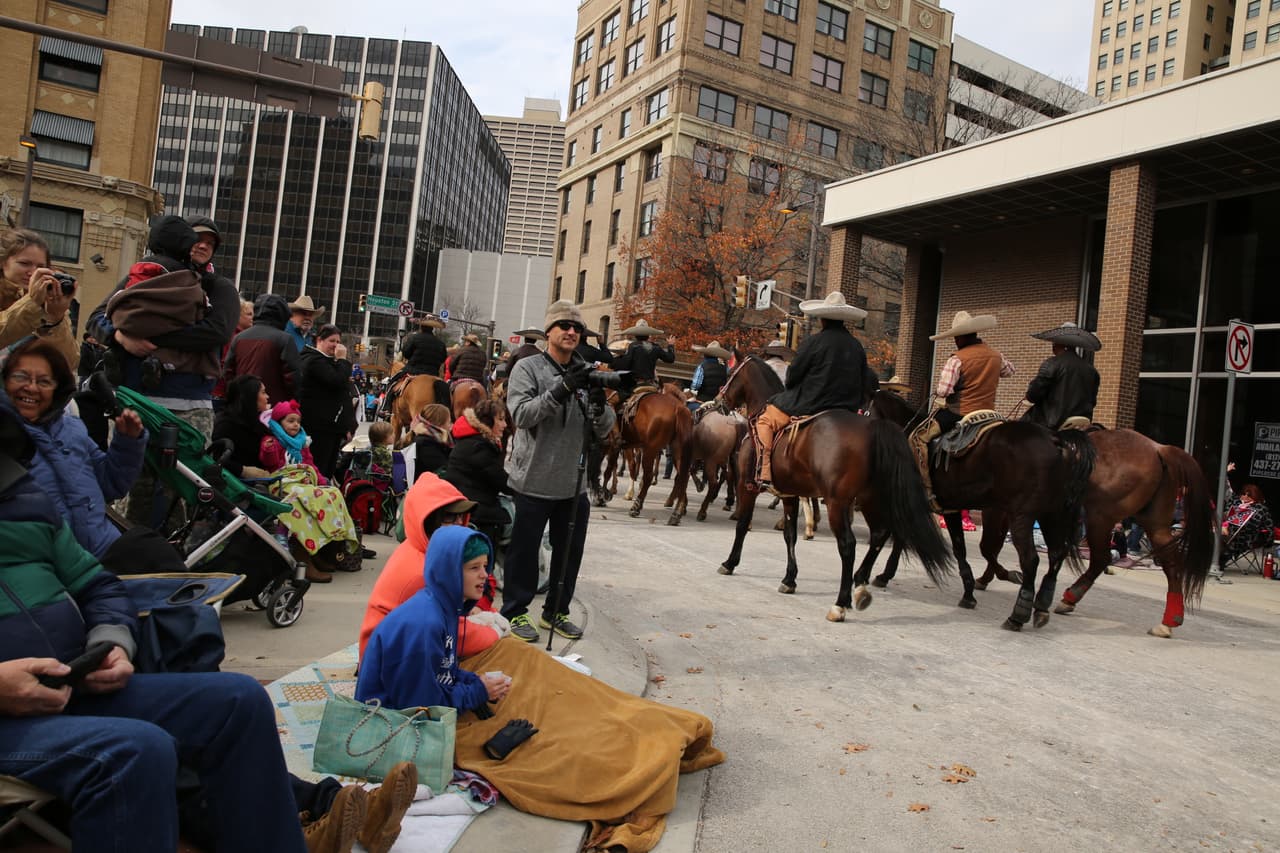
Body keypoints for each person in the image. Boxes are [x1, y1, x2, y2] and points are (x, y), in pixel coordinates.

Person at [0, 402, 310, 852]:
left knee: (239, 699)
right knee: (136, 751)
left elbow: (99, 586)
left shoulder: (21, 500)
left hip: (71, 684)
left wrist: (112, 643)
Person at [0, 340, 189, 576]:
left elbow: (111, 485)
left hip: (101, 552)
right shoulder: (6, 435)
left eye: (44, 381)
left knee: (156, 553)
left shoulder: (71, 428)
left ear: (57, 389)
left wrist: (128, 442)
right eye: (21, 377)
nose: (31, 387)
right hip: (42, 564)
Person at [502, 300, 616, 643]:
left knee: (569, 555)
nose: (571, 332)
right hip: (533, 480)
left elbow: (605, 428)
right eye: (564, 326)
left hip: (573, 484)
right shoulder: (528, 368)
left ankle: (556, 611)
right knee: (523, 552)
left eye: (577, 328)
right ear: (548, 332)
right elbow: (521, 415)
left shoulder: (588, 370)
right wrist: (561, 388)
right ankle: (515, 612)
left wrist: (598, 404)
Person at [357, 526, 510, 712]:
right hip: (389, 723)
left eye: (485, 566)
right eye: (474, 567)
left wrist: (475, 682)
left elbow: (441, 672)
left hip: (413, 706)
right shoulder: (424, 624)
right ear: (450, 572)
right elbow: (420, 707)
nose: (484, 575)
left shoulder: (446, 606)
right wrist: (477, 692)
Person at [752, 292, 876, 490]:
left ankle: (763, 471)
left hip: (811, 403)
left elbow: (792, 377)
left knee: (764, 420)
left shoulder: (814, 342)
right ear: (843, 319)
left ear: (822, 318)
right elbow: (865, 379)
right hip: (847, 409)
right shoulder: (856, 346)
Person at [358, 472, 480, 655]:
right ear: (429, 520)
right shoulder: (422, 573)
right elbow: (454, 634)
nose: (459, 524)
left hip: (390, 650)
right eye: (450, 517)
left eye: (461, 516)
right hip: (389, 662)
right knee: (505, 656)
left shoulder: (420, 549)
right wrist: (494, 630)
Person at [0, 228, 78, 370]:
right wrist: (31, 302)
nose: (33, 272)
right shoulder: (33, 300)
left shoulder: (46, 299)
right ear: (3, 263)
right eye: (24, 263)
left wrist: (56, 319)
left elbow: (69, 363)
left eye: (40, 266)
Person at [929, 310, 1015, 434]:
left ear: (960, 338)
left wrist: (937, 391)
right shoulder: (996, 356)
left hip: (960, 413)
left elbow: (944, 391)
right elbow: (1010, 372)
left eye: (956, 338)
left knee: (920, 436)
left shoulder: (957, 359)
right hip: (989, 414)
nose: (956, 342)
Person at [445, 399, 512, 547]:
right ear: (487, 422)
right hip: (474, 508)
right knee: (514, 520)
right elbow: (502, 481)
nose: (505, 425)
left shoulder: (471, 440)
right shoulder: (480, 447)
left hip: (467, 501)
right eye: (500, 419)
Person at [223, 293, 299, 407]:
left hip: (242, 406)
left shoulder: (238, 338)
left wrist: (237, 396)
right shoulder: (285, 339)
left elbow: (228, 372)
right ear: (283, 315)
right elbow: (293, 378)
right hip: (273, 407)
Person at [299, 324, 355, 479]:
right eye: (332, 341)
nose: (336, 345)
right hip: (319, 426)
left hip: (332, 426)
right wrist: (343, 361)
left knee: (327, 470)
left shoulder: (327, 361)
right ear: (319, 340)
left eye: (338, 341)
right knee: (320, 468)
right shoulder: (314, 360)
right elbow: (336, 381)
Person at [1023, 322, 1102, 429]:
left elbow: (1033, 396)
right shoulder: (1092, 370)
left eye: (1054, 343)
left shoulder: (1052, 364)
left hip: (1051, 423)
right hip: (1081, 423)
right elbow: (1092, 402)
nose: (1053, 346)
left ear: (1058, 344)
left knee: (1017, 433)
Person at [211, 374, 273, 479]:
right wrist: (243, 470)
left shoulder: (259, 420)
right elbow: (216, 459)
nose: (267, 397)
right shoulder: (226, 425)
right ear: (251, 396)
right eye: (263, 392)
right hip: (236, 484)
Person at [1216, 481, 1273, 582]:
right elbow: (1224, 517)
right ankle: (1213, 559)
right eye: (1244, 494)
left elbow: (1260, 526)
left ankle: (1218, 561)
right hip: (1226, 531)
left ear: (1255, 495)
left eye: (1249, 495)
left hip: (1247, 536)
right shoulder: (1235, 503)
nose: (1246, 497)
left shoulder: (1260, 508)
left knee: (1226, 539)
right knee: (1216, 535)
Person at [211, 298, 255, 412]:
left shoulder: (240, 336)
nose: (252, 317)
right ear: (238, 315)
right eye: (249, 314)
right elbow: (227, 363)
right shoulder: (233, 337)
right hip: (222, 394)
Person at [260, 400, 324, 478]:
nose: (296, 424)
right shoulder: (271, 441)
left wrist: (321, 481)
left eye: (298, 421)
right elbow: (270, 464)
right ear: (278, 423)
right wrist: (269, 449)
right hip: (280, 481)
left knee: (327, 483)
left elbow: (310, 466)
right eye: (291, 421)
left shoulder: (302, 442)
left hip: (301, 480)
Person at [611, 319, 675, 389]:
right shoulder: (656, 347)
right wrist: (670, 345)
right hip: (650, 383)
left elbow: (626, 364)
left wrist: (616, 360)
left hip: (636, 382)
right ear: (648, 335)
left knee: (619, 396)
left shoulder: (633, 346)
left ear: (635, 335)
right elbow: (670, 359)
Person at [404, 403, 453, 482]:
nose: (450, 426)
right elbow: (442, 471)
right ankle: (386, 405)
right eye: (449, 422)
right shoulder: (427, 444)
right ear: (440, 424)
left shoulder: (428, 439)